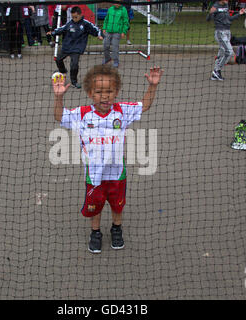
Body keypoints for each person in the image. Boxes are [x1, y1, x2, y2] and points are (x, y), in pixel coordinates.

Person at [52, 64, 164, 253]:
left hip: (116, 173)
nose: (105, 96)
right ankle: (95, 232)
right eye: (99, 91)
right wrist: (59, 97)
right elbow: (59, 117)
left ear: (116, 91)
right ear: (89, 93)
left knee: (116, 204)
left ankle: (116, 228)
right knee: (95, 205)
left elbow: (144, 106)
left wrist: (152, 86)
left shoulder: (122, 111)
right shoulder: (81, 114)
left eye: (109, 91)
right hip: (94, 175)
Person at [48, 6, 102, 89]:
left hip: (77, 48)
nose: (74, 19)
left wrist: (99, 34)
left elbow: (95, 29)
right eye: (72, 17)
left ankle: (74, 81)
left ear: (80, 15)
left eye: (76, 17)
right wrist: (53, 33)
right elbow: (61, 29)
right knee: (58, 59)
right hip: (67, 47)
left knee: (74, 65)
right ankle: (63, 71)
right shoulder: (70, 23)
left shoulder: (85, 24)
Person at [207, 0, 246, 81]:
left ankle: (215, 74)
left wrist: (239, 13)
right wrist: (210, 13)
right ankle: (217, 70)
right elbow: (208, 19)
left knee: (221, 52)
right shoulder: (215, 6)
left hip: (228, 31)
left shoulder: (226, 6)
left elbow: (229, 19)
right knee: (229, 52)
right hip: (220, 32)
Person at [102, 1, 130, 68]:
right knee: (105, 44)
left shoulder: (123, 10)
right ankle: (107, 58)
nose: (115, 3)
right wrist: (104, 28)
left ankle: (116, 61)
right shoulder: (110, 9)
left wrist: (123, 31)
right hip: (108, 30)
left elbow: (126, 22)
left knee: (115, 47)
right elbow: (106, 19)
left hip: (117, 32)